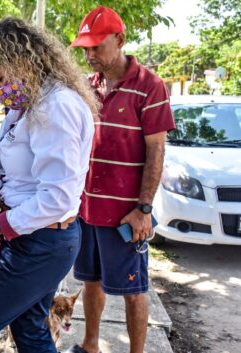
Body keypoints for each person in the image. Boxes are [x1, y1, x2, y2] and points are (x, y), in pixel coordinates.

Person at [0, 18, 98, 353]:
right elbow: (8, 171)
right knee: (31, 331)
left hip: (41, 241)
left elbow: (57, 198)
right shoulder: (26, 106)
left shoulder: (56, 107)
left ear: (21, 63)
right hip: (35, 236)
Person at [67, 5, 176, 353]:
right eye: (86, 48)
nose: (90, 54)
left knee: (134, 290)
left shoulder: (150, 86)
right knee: (90, 281)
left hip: (126, 214)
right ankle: (90, 345)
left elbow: (156, 152)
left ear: (121, 40)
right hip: (85, 208)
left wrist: (144, 208)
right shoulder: (87, 87)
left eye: (97, 46)